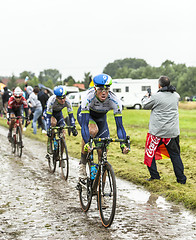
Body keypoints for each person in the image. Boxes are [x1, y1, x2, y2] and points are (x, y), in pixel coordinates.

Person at [77, 73, 130, 180]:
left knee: (102, 151)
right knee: (92, 130)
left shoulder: (115, 101)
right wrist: (87, 143)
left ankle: (100, 191)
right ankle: (82, 163)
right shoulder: (88, 99)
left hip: (101, 120)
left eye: (107, 89)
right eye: (101, 89)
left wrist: (123, 144)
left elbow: (119, 126)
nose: (104, 92)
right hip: (87, 117)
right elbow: (84, 125)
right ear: (95, 88)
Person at [141, 76, 187, 184]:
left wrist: (146, 97)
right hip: (172, 133)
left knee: (150, 154)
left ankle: (154, 176)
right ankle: (181, 180)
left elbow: (145, 105)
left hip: (156, 133)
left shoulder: (156, 97)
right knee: (175, 156)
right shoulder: (176, 96)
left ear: (159, 85)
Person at [45, 85, 78, 153]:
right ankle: (50, 142)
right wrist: (48, 129)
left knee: (63, 134)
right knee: (53, 123)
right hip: (50, 114)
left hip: (59, 114)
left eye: (64, 98)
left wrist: (73, 127)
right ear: (56, 97)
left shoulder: (68, 101)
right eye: (60, 99)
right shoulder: (51, 101)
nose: (63, 100)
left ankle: (61, 155)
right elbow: (48, 117)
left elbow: (71, 116)